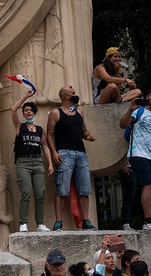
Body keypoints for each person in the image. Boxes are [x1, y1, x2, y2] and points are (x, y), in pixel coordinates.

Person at [119, 88, 151, 231]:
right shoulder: (139, 111)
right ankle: (149, 220)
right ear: (147, 97)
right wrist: (130, 110)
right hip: (137, 154)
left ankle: (148, 221)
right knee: (147, 186)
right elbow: (122, 125)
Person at [46, 85, 97, 231]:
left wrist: (89, 136)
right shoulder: (56, 113)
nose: (76, 95)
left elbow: (83, 130)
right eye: (73, 93)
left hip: (81, 153)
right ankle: (58, 221)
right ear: (65, 96)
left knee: (84, 188)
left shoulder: (79, 112)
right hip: (64, 153)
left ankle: (86, 220)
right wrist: (54, 152)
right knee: (62, 188)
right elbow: (49, 134)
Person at [10, 91, 54, 232]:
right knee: (26, 193)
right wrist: (26, 97)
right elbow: (12, 109)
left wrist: (50, 164)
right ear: (24, 114)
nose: (28, 112)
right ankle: (23, 223)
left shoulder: (40, 130)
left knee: (40, 193)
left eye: (30, 110)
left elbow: (45, 146)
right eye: (26, 110)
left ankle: (40, 224)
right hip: (23, 163)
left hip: (37, 163)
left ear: (34, 113)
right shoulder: (20, 127)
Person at [119, 162, 140, 230]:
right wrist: (122, 165)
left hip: (139, 165)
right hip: (129, 166)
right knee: (130, 194)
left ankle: (144, 221)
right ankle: (125, 222)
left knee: (138, 194)